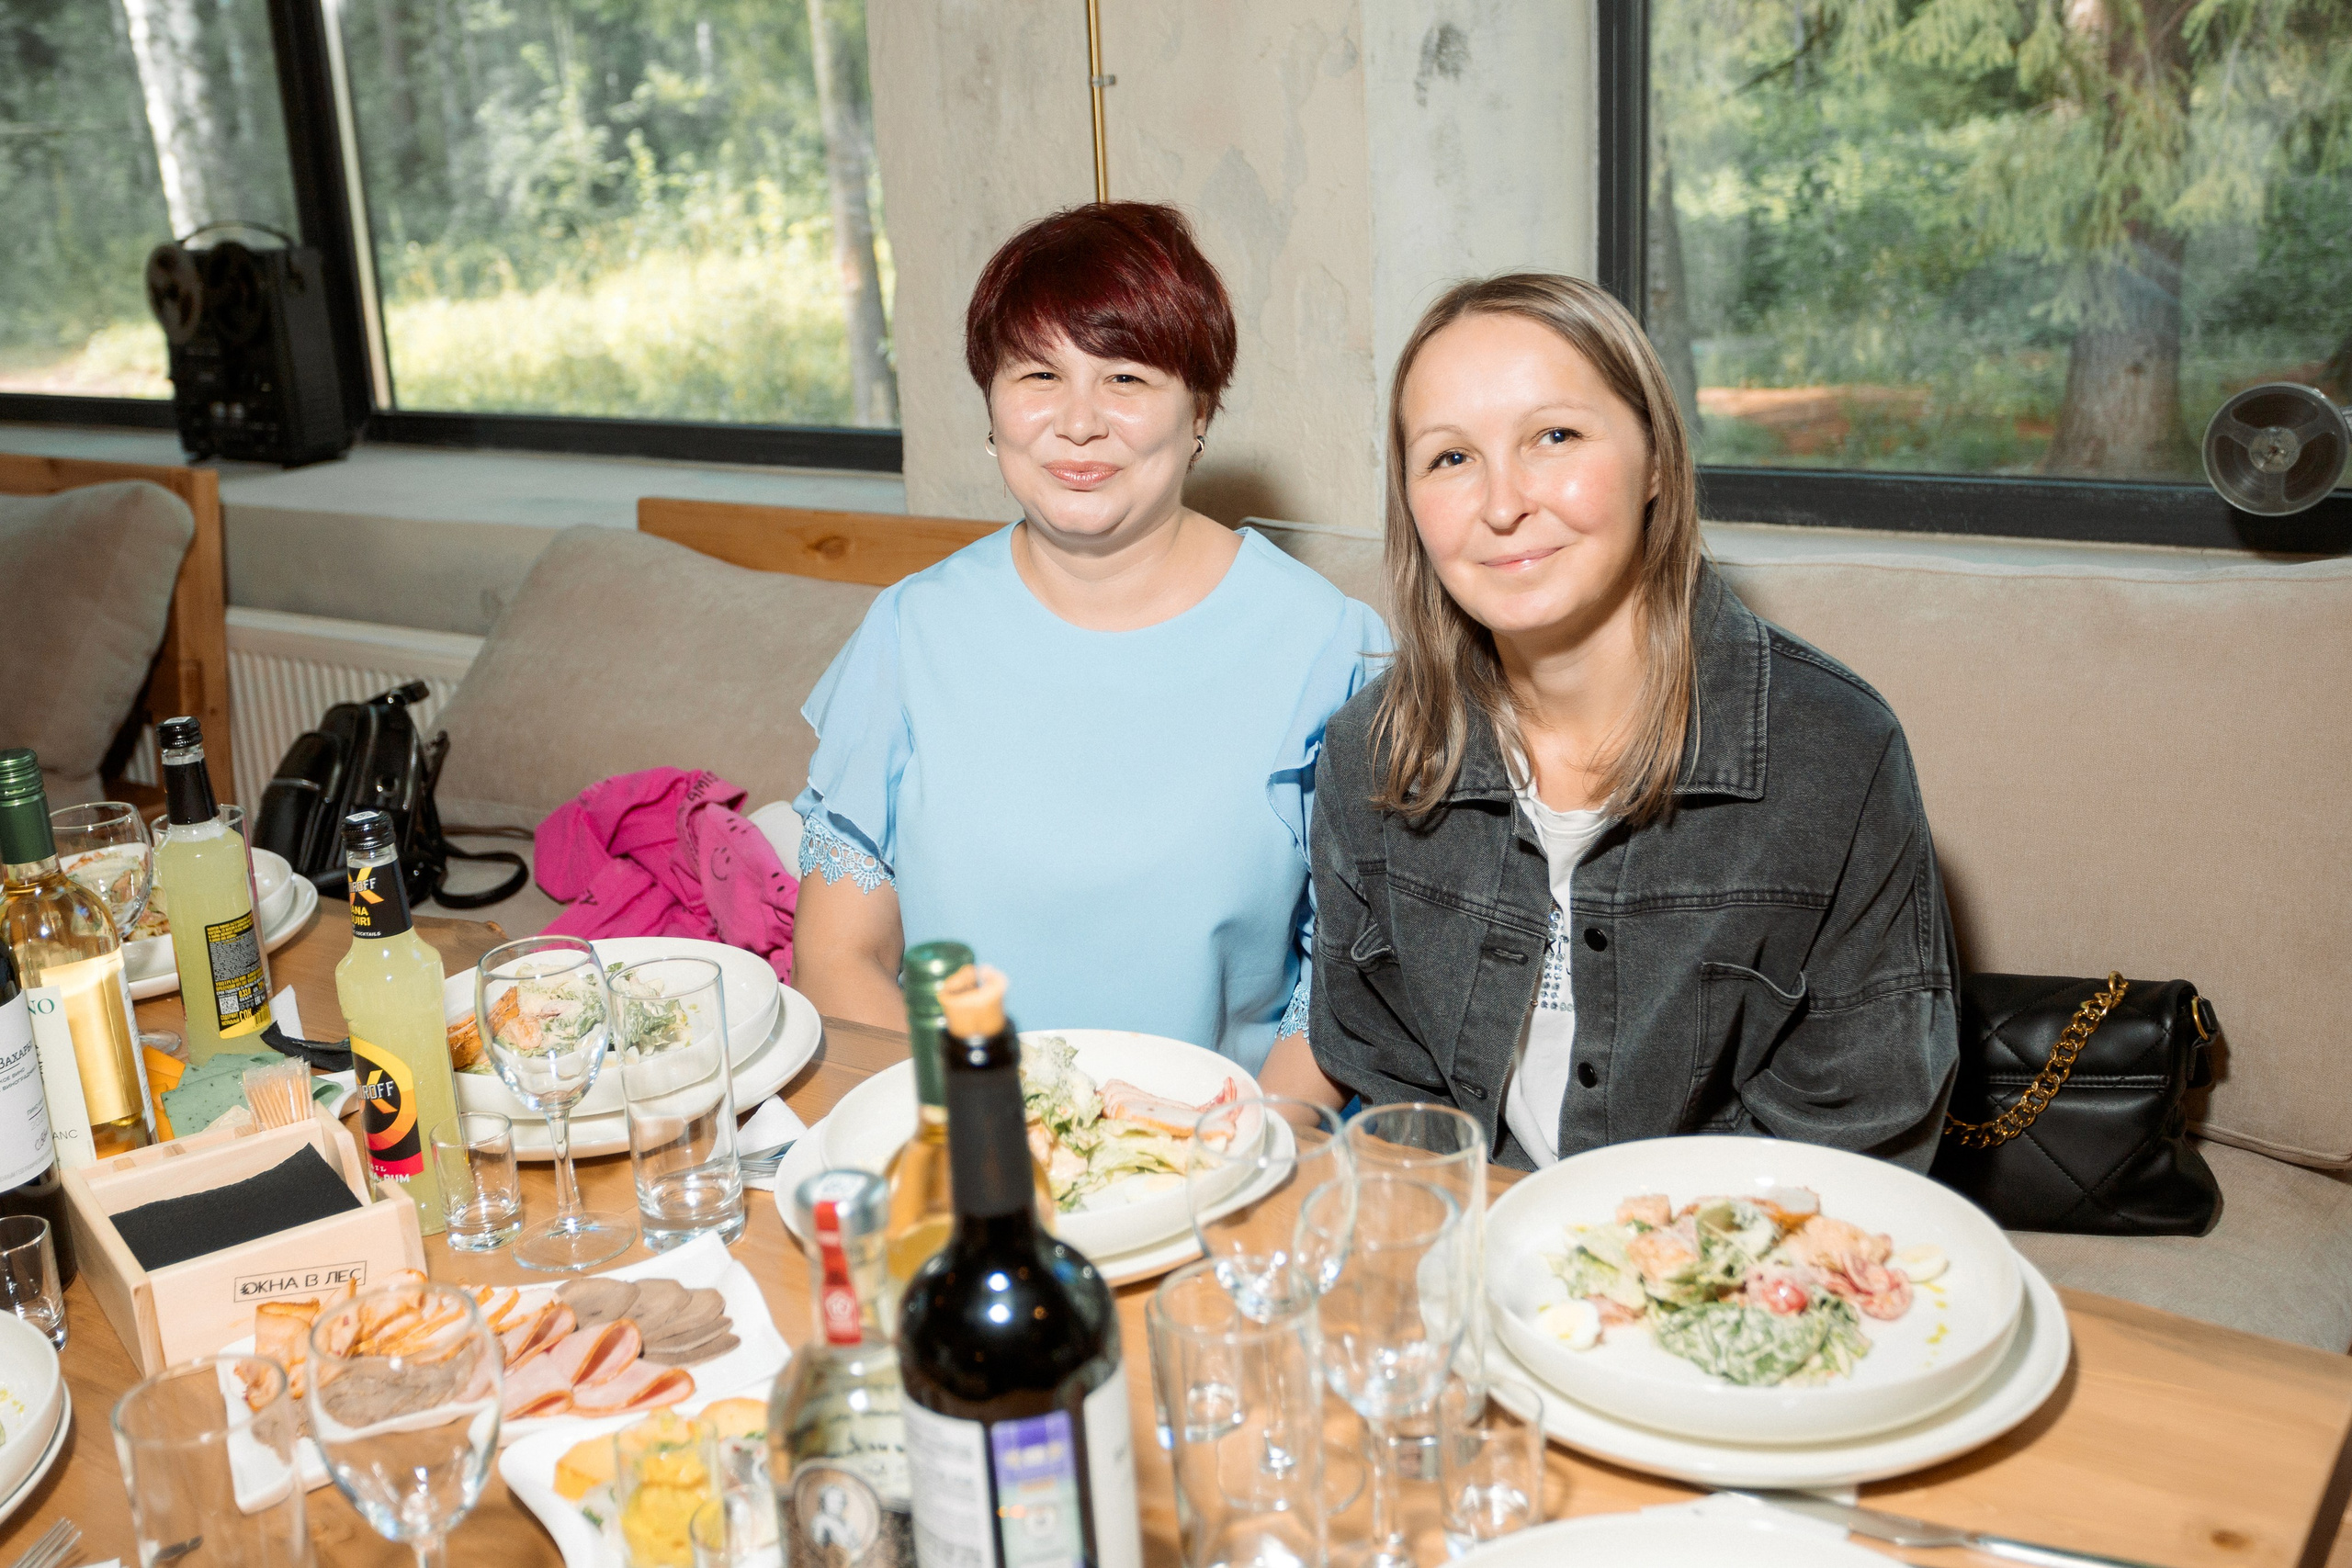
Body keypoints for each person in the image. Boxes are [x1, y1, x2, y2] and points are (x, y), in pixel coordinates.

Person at [1306, 274, 1958, 1169]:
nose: (1502, 505)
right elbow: (1389, 1095)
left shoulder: (1836, 755)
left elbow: (1859, 1133)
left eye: (1554, 436)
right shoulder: (1362, 756)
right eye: (1450, 457)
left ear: (1656, 459)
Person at [791, 201, 1387, 1075]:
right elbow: (841, 959)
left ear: (1200, 413)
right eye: (1037, 375)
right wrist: (999, 1146)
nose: (1078, 422)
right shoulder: (910, 631)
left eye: (1127, 378)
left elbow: (1343, 989)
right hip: (965, 1147)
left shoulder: (1327, 647)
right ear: (991, 406)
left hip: (1222, 1158)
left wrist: (1257, 1150)